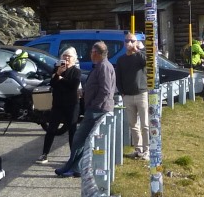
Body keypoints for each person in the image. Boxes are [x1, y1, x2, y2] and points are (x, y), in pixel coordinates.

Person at [55, 41, 116, 177]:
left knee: (79, 138)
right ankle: (74, 167)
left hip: (97, 110)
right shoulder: (100, 66)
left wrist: (94, 104)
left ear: (96, 53)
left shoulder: (104, 67)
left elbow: (105, 91)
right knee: (82, 140)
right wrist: (85, 93)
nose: (90, 54)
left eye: (92, 52)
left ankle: (73, 167)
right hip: (95, 108)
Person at [37, 48, 82, 163]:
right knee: (51, 128)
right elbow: (53, 84)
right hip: (58, 104)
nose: (66, 58)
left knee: (72, 129)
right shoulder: (57, 69)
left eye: (69, 56)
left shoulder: (76, 71)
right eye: (64, 56)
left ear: (74, 59)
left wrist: (61, 79)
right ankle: (44, 154)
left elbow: (73, 86)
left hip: (72, 104)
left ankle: (73, 156)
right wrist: (58, 74)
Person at [115, 32, 149, 160]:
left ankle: (147, 150)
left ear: (136, 42)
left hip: (141, 94)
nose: (129, 43)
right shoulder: (121, 59)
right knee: (133, 125)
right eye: (127, 41)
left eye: (132, 40)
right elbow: (118, 78)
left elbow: (146, 62)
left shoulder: (140, 56)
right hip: (128, 96)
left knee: (145, 124)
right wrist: (122, 93)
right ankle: (138, 149)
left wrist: (137, 50)